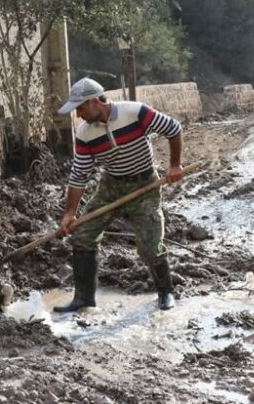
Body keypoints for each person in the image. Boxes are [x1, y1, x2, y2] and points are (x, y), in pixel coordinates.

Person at [53, 77, 184, 313]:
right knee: (82, 235)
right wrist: (70, 213)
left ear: (94, 102)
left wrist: (175, 165)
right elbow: (79, 176)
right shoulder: (84, 134)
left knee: (149, 244)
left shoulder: (135, 112)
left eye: (80, 108)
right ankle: (83, 298)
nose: (79, 115)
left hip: (144, 184)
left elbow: (174, 129)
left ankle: (166, 291)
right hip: (111, 186)